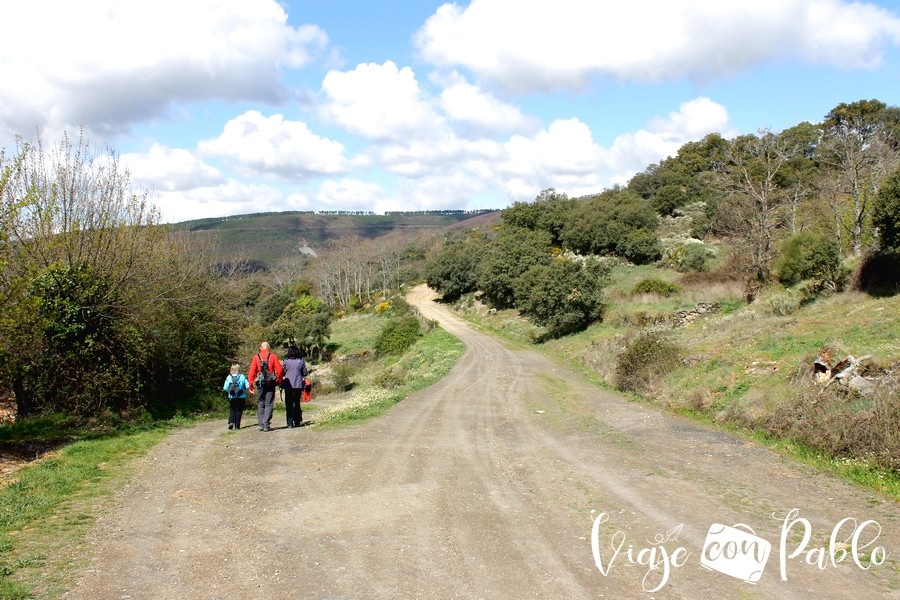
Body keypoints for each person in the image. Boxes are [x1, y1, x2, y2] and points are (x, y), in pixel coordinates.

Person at [248, 342, 283, 432]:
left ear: (260, 348)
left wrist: (250, 385)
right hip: (270, 384)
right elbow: (279, 371)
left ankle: (261, 424)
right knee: (269, 403)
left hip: (260, 384)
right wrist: (279, 381)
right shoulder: (273, 356)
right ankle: (266, 424)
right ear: (269, 348)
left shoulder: (256, 357)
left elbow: (252, 371)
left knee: (261, 403)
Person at [281, 345, 309, 428]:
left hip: (288, 385)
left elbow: (281, 372)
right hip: (298, 384)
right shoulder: (301, 361)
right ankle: (297, 421)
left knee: (288, 403)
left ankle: (289, 422)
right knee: (296, 403)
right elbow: (305, 372)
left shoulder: (286, 361)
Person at [222, 364, 248, 430]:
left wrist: (229, 391)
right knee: (239, 411)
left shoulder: (229, 377)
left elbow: (225, 388)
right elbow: (247, 386)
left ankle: (231, 422)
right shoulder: (242, 376)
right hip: (241, 396)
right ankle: (237, 426)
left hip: (232, 397)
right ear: (238, 369)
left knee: (232, 409)